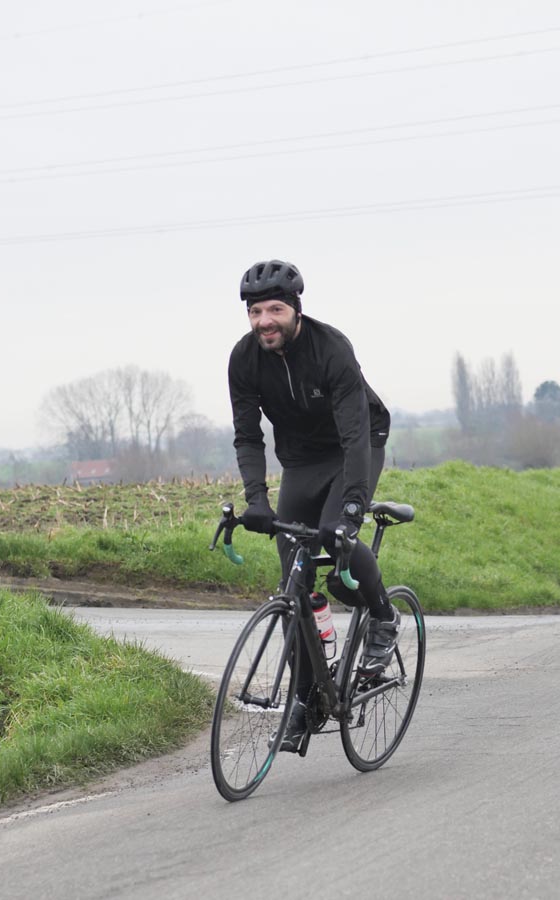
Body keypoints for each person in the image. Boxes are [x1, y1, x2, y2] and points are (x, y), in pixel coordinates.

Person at [228, 258, 400, 752]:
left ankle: (384, 616)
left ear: (296, 310)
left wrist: (352, 507)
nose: (265, 321)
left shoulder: (331, 348)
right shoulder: (244, 360)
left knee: (333, 535)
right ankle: (307, 699)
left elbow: (355, 434)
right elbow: (247, 436)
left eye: (275, 310)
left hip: (355, 445)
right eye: (256, 312)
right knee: (293, 581)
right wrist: (256, 501)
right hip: (301, 459)